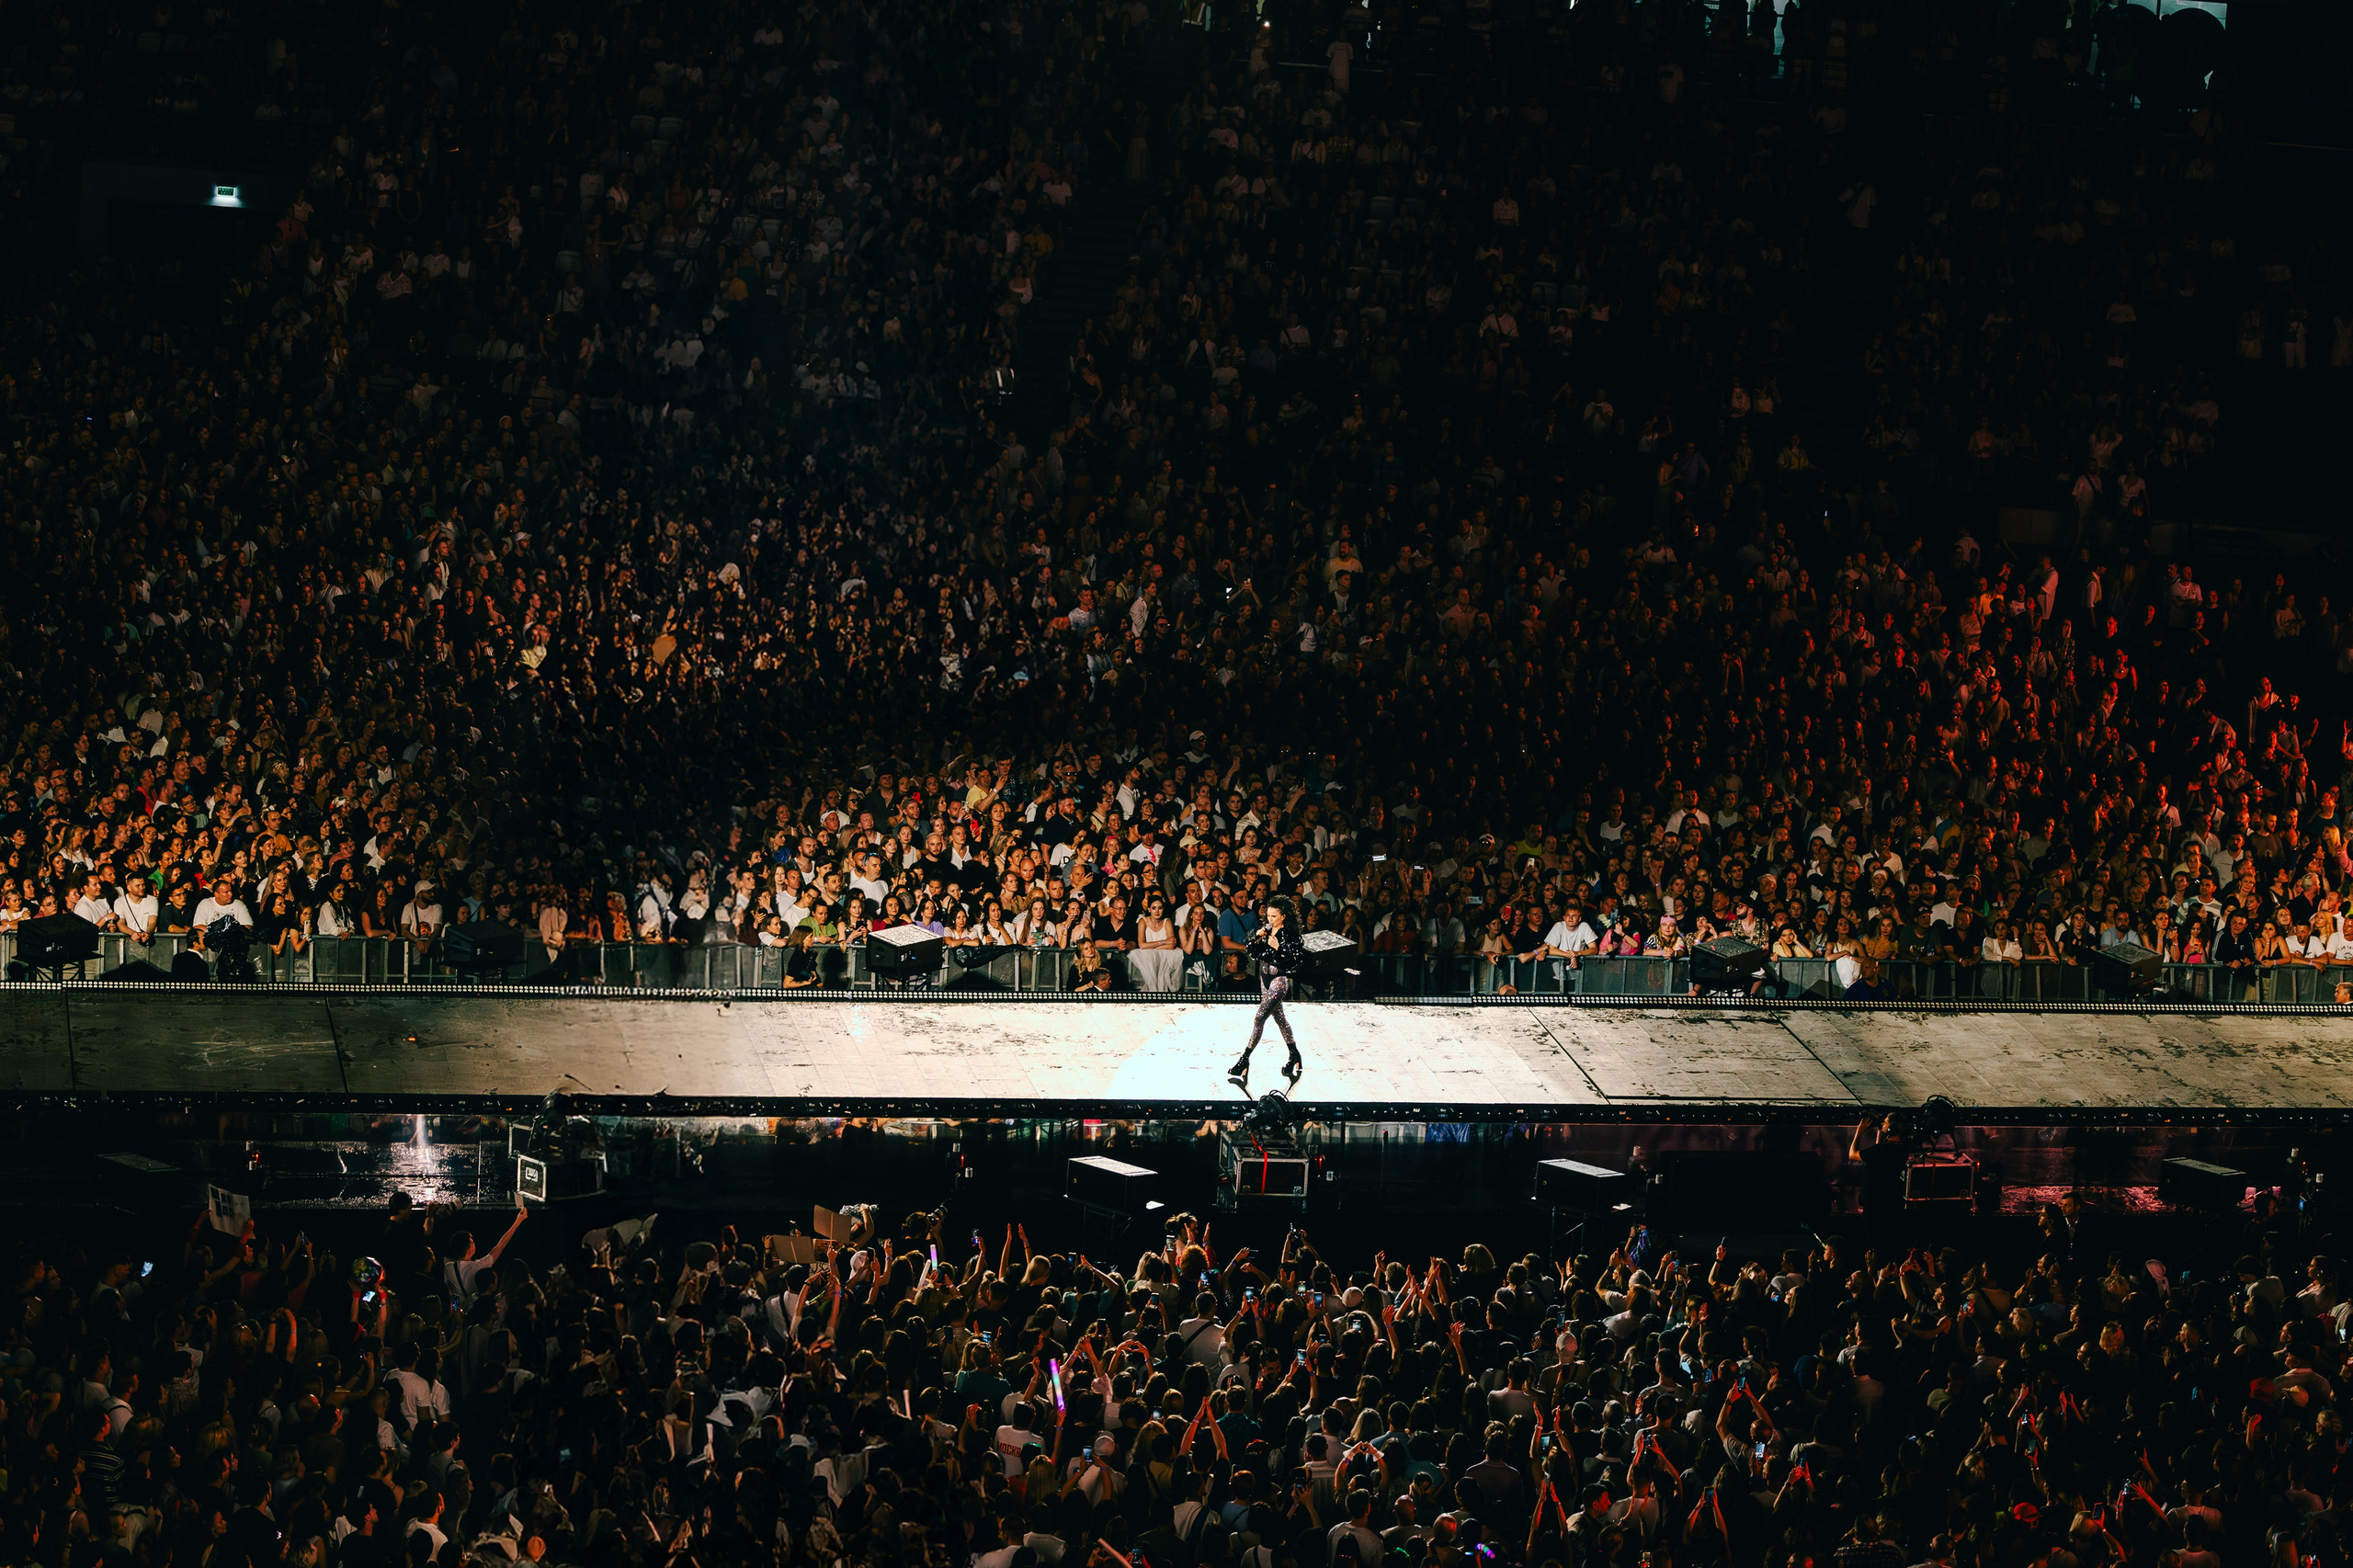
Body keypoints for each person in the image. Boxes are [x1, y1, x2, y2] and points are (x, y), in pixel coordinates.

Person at [1230, 897, 1305, 1085]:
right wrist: (1258, 937)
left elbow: (1294, 962)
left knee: (1259, 1019)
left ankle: (1244, 1059)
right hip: (1264, 979)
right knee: (1280, 1019)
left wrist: (1278, 948)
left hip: (1278, 981)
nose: (1269, 919)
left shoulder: (1290, 935)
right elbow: (1251, 952)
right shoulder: (1267, 930)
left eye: (1274, 916)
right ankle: (1294, 1055)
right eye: (1268, 915)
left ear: (1283, 916)